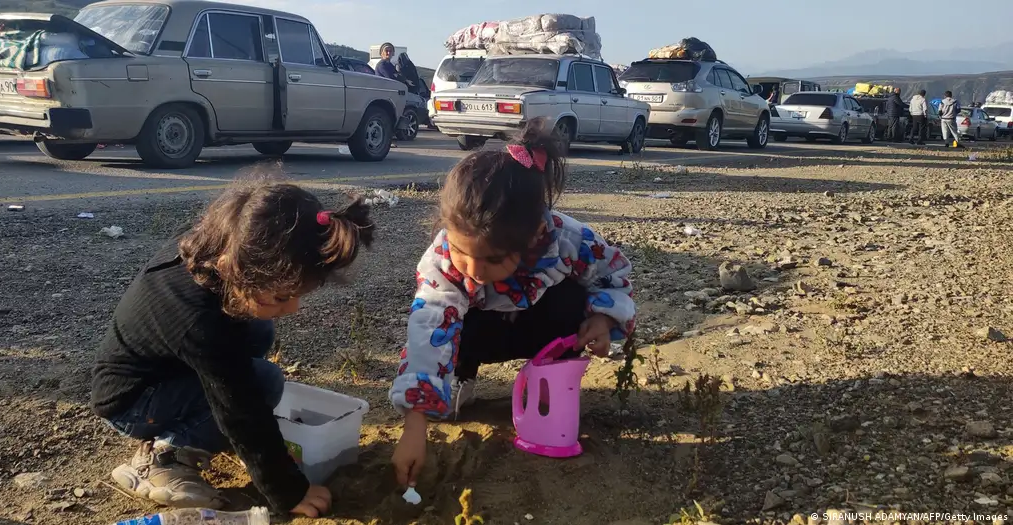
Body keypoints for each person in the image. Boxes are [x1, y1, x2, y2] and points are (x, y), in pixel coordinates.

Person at [90, 177, 375, 517]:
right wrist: (288, 490)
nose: (293, 308)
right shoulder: (198, 322)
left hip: (166, 367)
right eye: (282, 296)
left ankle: (196, 424)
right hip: (132, 400)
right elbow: (241, 411)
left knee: (258, 332)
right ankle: (163, 455)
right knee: (264, 382)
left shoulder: (219, 241)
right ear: (230, 269)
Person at [388, 117, 636, 488]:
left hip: (541, 332)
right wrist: (415, 423)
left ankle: (550, 382)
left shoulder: (570, 240)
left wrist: (603, 319)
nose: (473, 270)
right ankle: (461, 375)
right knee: (447, 316)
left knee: (571, 296)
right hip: (480, 333)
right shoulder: (443, 261)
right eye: (461, 252)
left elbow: (613, 276)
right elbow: (429, 326)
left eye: (492, 259)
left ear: (535, 232)